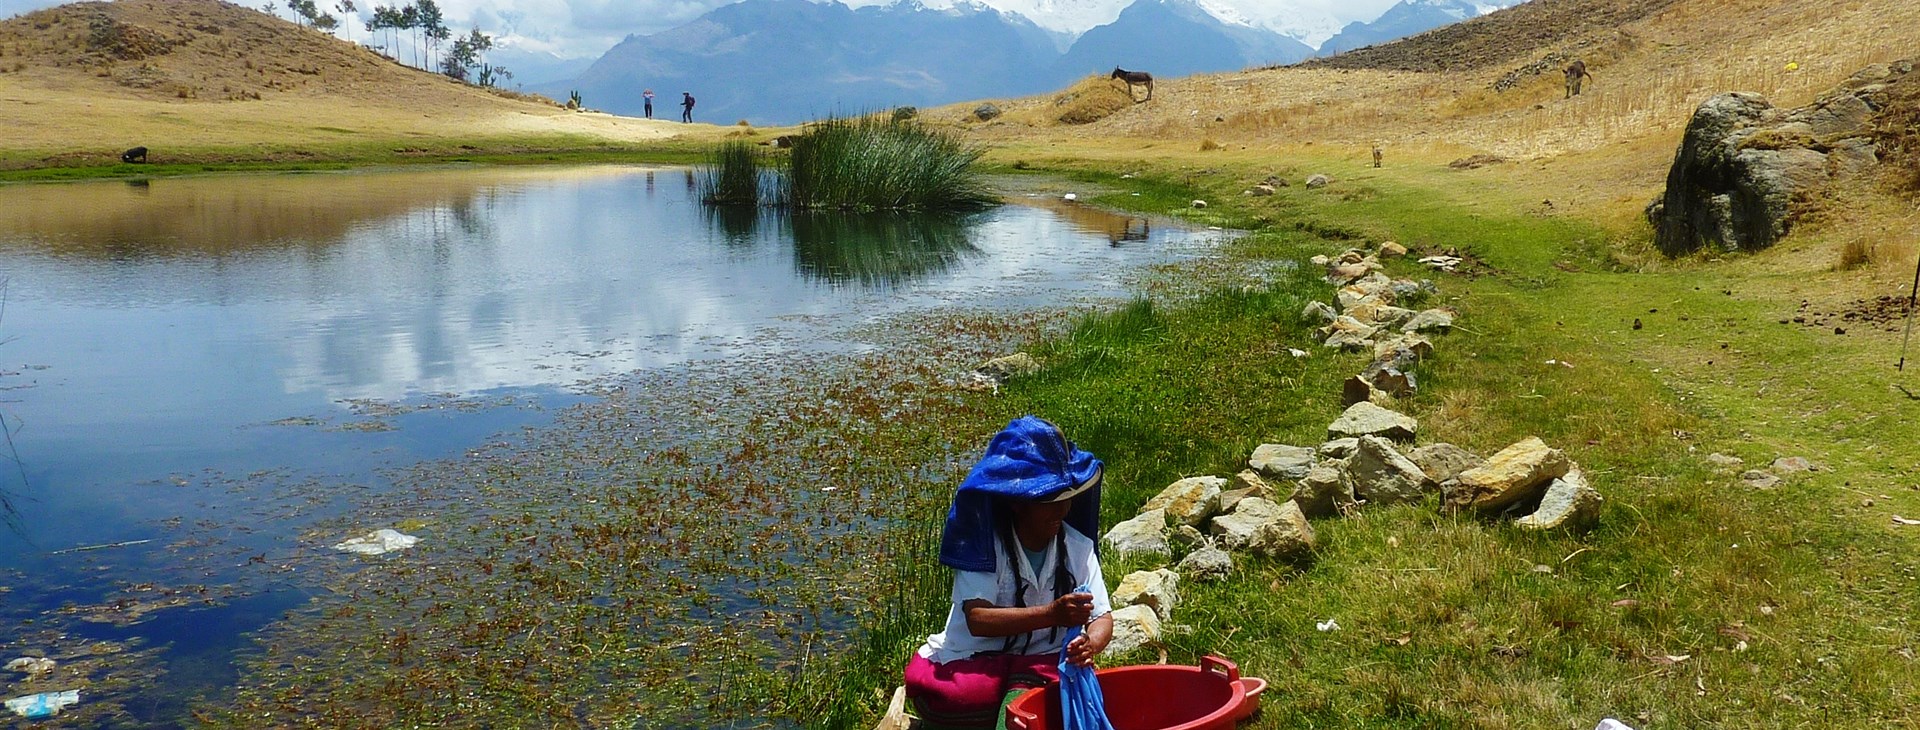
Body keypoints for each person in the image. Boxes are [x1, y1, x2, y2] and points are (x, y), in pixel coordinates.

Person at [903, 416, 1115, 728]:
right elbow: (978, 619)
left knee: (1042, 690)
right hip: (976, 659)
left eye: (1066, 499)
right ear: (1017, 503)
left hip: (1044, 660)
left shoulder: (1076, 546)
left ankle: (1015, 702)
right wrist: (1052, 614)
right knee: (958, 695)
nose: (1062, 510)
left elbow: (1102, 616)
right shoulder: (984, 547)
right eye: (1049, 501)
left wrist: (1091, 644)